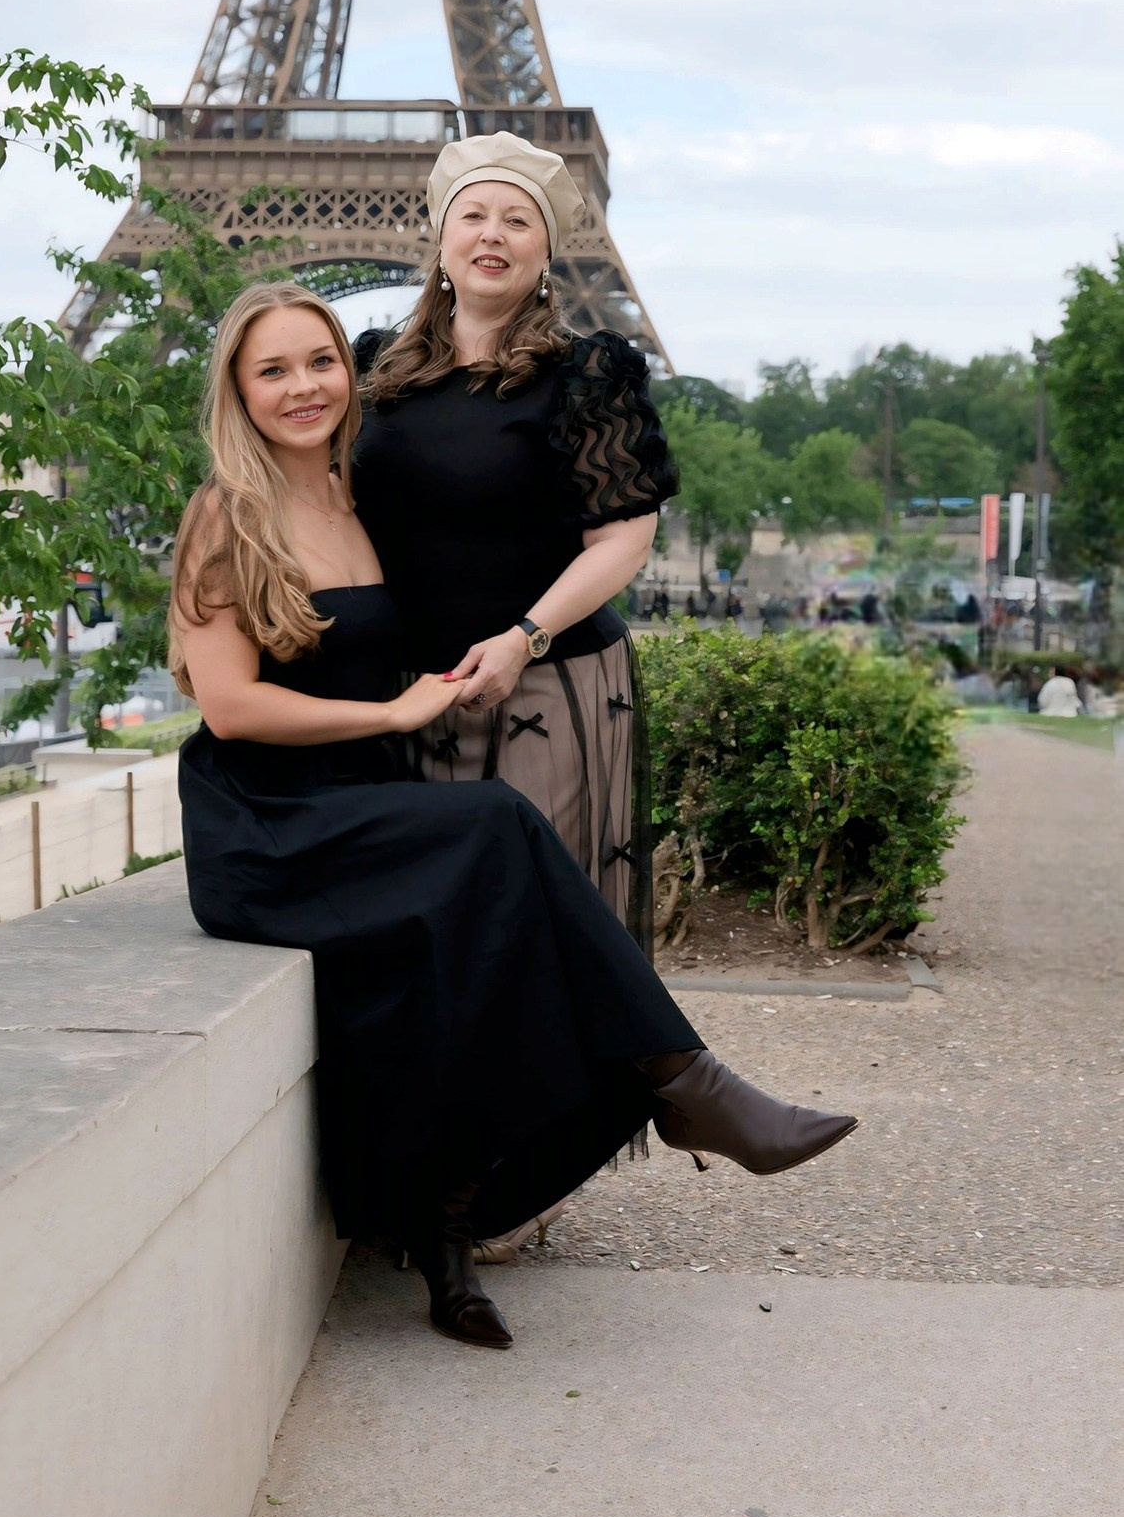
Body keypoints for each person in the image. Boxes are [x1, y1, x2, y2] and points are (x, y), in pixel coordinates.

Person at [172, 283, 858, 1353]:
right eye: (273, 370)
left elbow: (517, 522)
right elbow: (227, 703)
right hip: (269, 820)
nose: (303, 386)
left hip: (364, 800)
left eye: (319, 362)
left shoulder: (364, 497)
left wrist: (527, 636)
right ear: (237, 391)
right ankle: (682, 1080)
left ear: (348, 374)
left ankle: (449, 1239)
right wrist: (395, 707)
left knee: (479, 952)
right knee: (495, 828)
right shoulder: (228, 511)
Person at [353, 131, 673, 955]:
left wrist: (523, 640)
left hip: (546, 685)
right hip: (405, 694)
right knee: (432, 924)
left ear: (546, 253)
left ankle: (566, 1086)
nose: (493, 235)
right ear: (442, 238)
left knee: (540, 914)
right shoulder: (369, 371)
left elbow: (624, 539)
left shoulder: (587, 374)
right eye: (475, 216)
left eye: (518, 222)